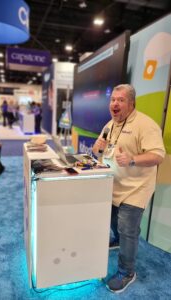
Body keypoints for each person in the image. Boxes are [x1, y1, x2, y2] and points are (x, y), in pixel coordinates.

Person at [92, 84, 165, 293]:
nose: (115, 104)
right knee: (115, 220)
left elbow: (157, 155)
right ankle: (117, 240)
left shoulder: (146, 125)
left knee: (128, 229)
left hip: (136, 188)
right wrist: (98, 147)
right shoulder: (111, 124)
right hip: (114, 184)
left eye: (120, 100)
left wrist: (132, 159)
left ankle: (127, 272)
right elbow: (102, 144)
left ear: (131, 103)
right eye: (113, 99)